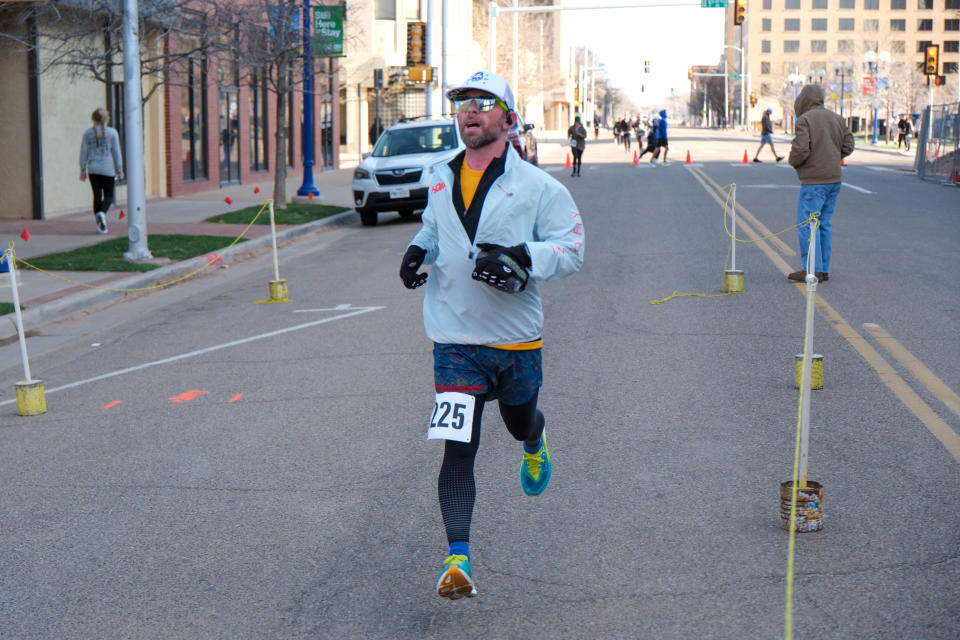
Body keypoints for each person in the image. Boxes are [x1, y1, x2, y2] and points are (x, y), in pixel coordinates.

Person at [398, 69, 584, 601]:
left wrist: (525, 256)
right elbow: (437, 229)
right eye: (462, 103)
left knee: (518, 419)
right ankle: (458, 557)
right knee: (458, 447)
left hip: (515, 339)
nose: (470, 112)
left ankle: (534, 440)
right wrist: (419, 250)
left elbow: (572, 249)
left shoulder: (536, 186)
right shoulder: (438, 175)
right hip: (454, 337)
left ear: (506, 116)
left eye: (483, 103)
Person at [787, 84, 854, 283]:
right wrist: (832, 156)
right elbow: (848, 145)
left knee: (807, 225)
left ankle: (811, 269)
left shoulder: (805, 120)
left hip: (813, 182)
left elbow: (800, 150)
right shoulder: (837, 119)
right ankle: (823, 269)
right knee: (823, 224)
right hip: (834, 179)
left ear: (803, 101)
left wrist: (794, 162)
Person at [79, 108, 123, 234]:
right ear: (106, 118)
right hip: (108, 169)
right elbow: (116, 153)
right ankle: (102, 213)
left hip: (93, 169)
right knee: (109, 195)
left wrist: (82, 170)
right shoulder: (112, 133)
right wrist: (119, 170)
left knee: (97, 195)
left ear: (93, 119)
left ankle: (100, 226)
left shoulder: (87, 133)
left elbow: (83, 153)